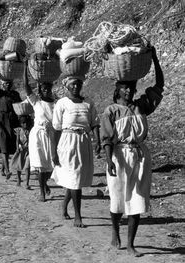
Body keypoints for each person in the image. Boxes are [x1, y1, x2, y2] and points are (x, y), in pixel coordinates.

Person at [100, 46, 164, 257]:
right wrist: (109, 161)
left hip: (140, 156)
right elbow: (108, 139)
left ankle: (130, 244)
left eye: (132, 87)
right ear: (118, 89)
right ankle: (115, 230)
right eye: (125, 87)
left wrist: (154, 59)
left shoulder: (141, 107)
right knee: (118, 200)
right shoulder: (111, 111)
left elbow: (159, 85)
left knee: (137, 200)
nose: (129, 91)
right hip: (119, 156)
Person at [51, 76, 101, 228]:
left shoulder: (88, 103)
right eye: (72, 84)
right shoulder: (62, 103)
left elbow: (94, 123)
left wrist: (97, 140)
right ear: (66, 86)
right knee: (74, 178)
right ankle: (78, 216)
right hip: (67, 142)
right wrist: (54, 151)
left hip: (83, 142)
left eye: (78, 83)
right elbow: (56, 129)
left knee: (76, 178)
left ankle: (64, 205)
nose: (75, 87)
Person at [23, 61, 55, 202]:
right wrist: (25, 67)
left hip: (51, 135)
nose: (46, 91)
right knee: (40, 164)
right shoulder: (36, 101)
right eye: (44, 89)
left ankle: (45, 183)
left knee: (50, 167)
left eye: (48, 89)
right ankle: (42, 192)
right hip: (37, 135)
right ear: (40, 90)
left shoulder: (56, 103)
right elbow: (26, 87)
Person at [0, 59, 22, 179]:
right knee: (3, 146)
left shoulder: (15, 95)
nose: (7, 85)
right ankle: (7, 170)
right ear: (2, 84)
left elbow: (20, 107)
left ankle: (3, 168)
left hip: (12, 121)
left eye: (9, 83)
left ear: (11, 84)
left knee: (9, 146)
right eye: (5, 84)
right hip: (1, 121)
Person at [11, 115, 34, 188]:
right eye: (23, 123)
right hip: (21, 150)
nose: (25, 124)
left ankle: (27, 183)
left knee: (27, 166)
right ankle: (18, 179)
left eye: (26, 123)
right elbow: (17, 140)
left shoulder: (30, 131)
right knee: (19, 165)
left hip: (28, 151)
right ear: (20, 124)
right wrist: (17, 148)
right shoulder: (19, 131)